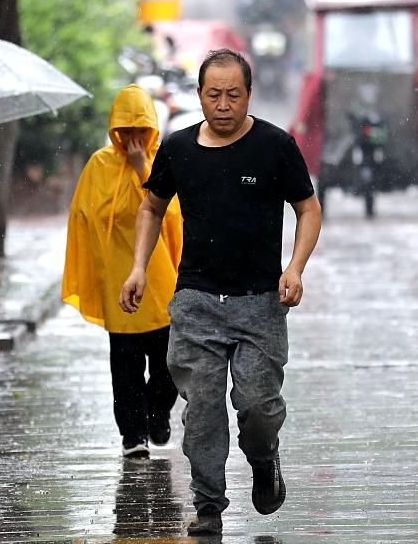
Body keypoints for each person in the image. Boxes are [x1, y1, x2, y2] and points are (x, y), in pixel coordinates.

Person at [119, 48, 322, 535]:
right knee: (203, 411)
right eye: (214, 94)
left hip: (260, 302)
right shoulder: (179, 148)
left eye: (234, 94)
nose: (224, 104)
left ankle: (264, 457)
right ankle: (208, 505)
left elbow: (308, 209)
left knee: (257, 406)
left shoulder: (275, 146)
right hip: (196, 301)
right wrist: (138, 268)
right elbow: (150, 207)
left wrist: (294, 268)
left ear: (249, 95)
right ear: (200, 96)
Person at [62, 84, 182, 458]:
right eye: (125, 131)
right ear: (114, 130)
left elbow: (174, 215)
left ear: (151, 130)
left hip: (159, 281)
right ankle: (132, 434)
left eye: (139, 131)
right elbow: (84, 217)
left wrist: (141, 168)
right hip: (118, 279)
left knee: (167, 367)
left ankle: (157, 413)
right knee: (125, 364)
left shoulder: (162, 160)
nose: (132, 139)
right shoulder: (99, 165)